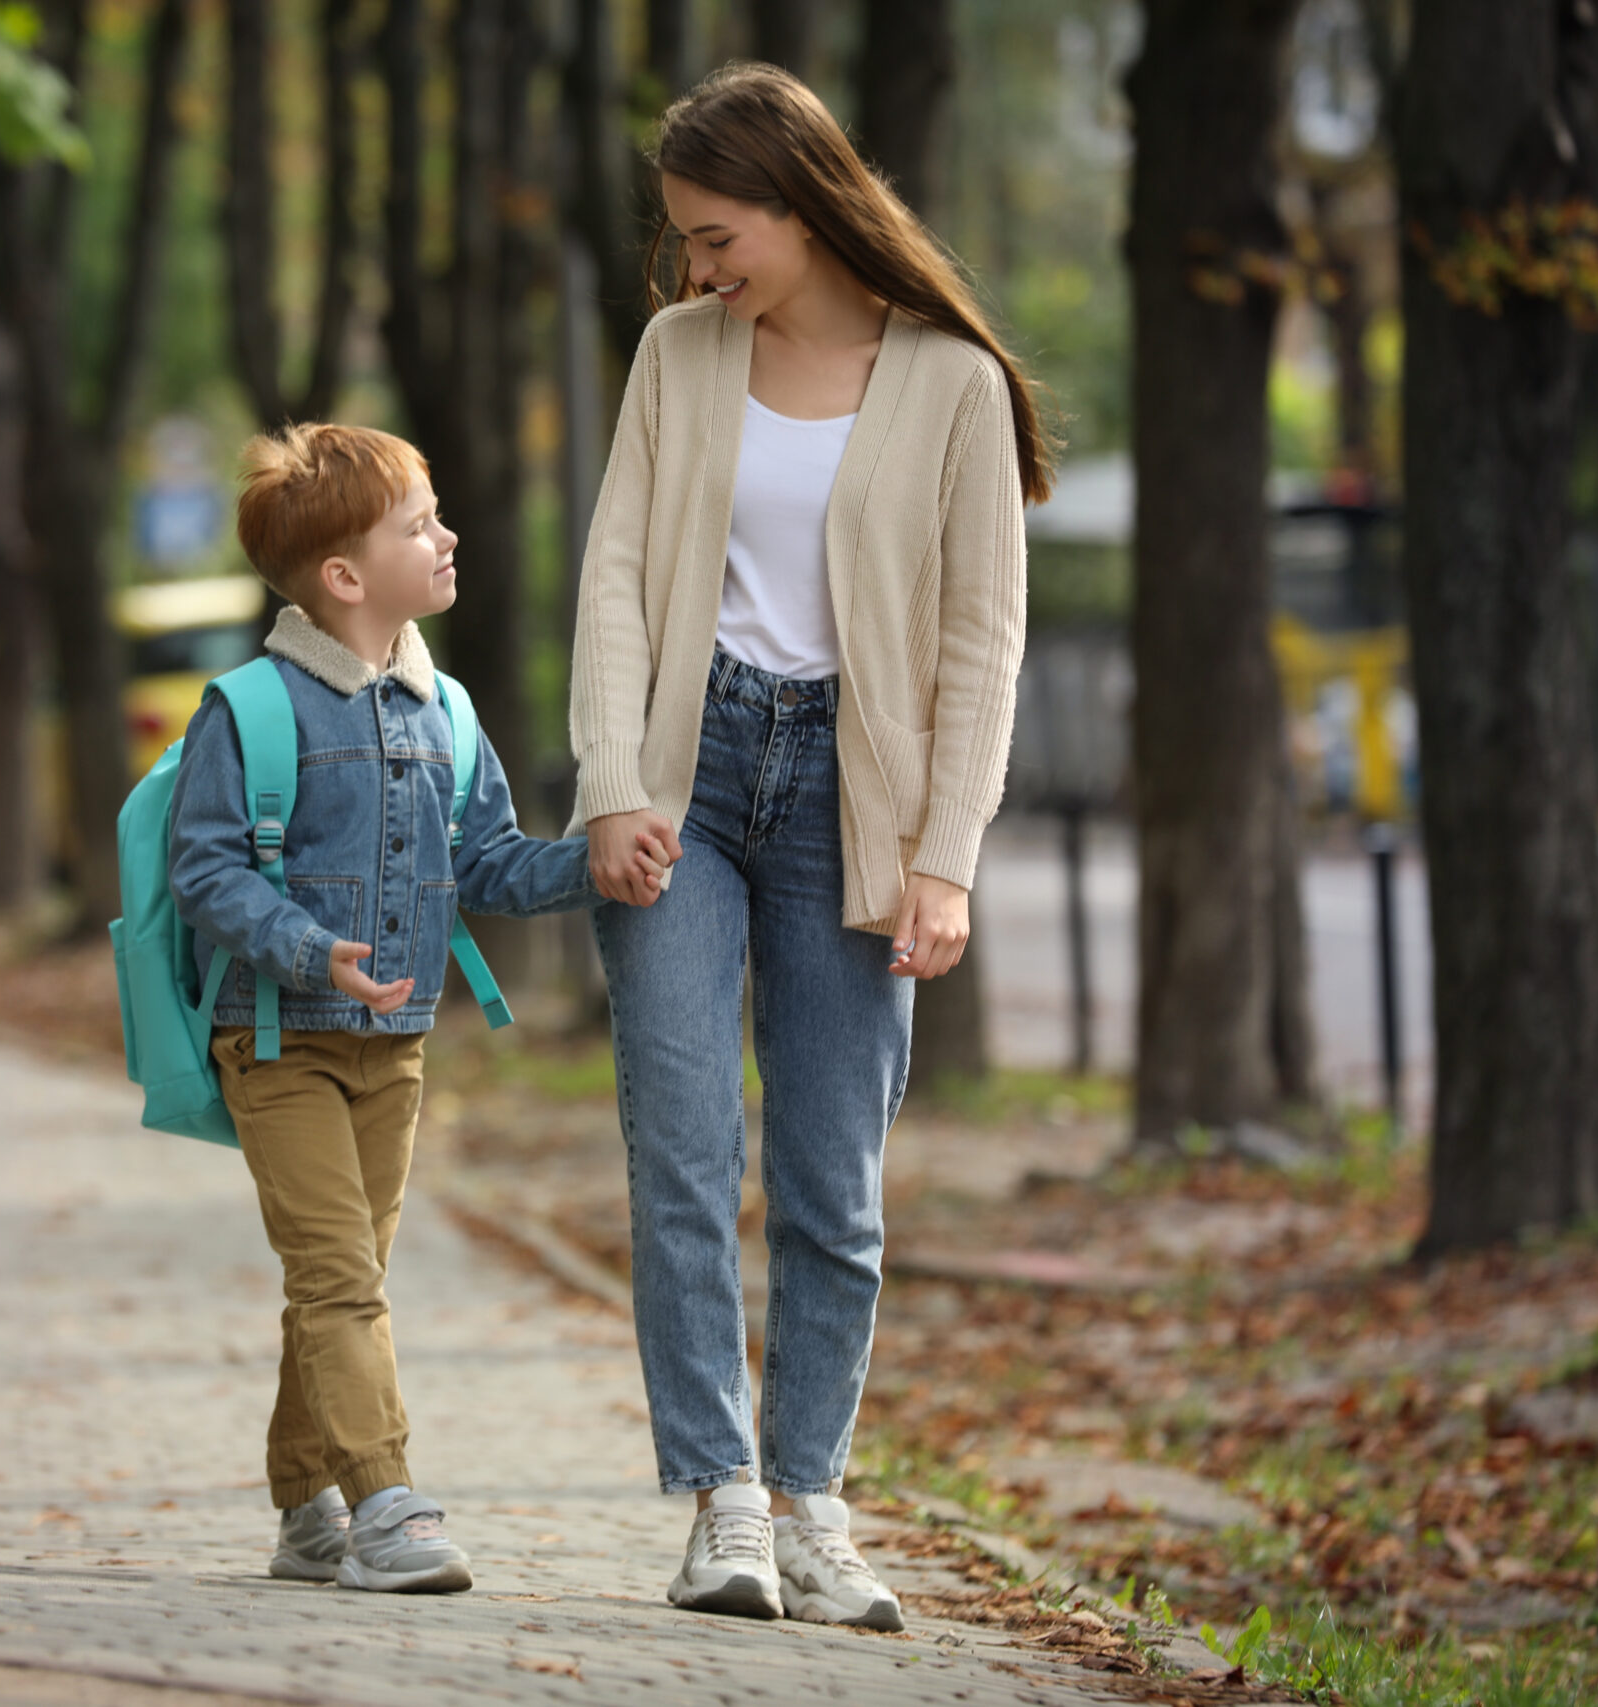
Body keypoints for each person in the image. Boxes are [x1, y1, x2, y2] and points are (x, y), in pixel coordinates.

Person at [569, 64, 1049, 1626]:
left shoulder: (954, 384)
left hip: (857, 789)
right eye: (690, 246)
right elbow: (621, 575)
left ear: (800, 198)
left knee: (834, 1179)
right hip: (685, 776)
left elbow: (982, 639)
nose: (700, 270)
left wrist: (948, 851)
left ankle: (813, 1500)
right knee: (687, 1148)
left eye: (718, 237)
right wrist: (614, 776)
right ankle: (719, 1500)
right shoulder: (678, 356)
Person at [168, 423, 633, 1593]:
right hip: (278, 1043)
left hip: (398, 1048)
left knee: (339, 1284)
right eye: (419, 522)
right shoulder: (250, 708)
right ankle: (387, 1504)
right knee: (340, 1281)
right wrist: (313, 953)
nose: (448, 534)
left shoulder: (448, 712)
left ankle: (301, 1507)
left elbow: (488, 866)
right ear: (342, 577)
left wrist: (597, 860)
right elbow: (207, 868)